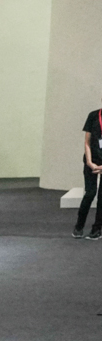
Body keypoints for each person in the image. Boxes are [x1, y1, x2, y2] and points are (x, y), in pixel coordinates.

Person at [74, 97, 102, 240]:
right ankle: (79, 226)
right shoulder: (93, 116)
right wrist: (90, 162)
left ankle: (97, 229)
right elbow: (87, 142)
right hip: (91, 161)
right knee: (90, 193)